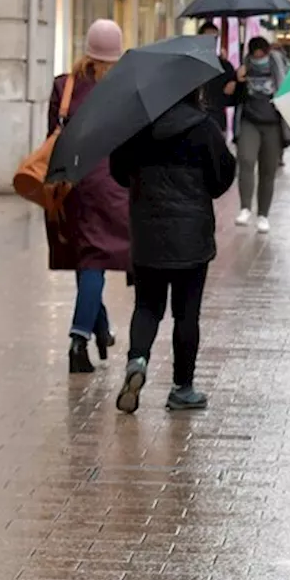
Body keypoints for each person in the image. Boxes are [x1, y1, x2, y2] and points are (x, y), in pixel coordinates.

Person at [110, 89, 237, 413]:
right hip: (191, 235)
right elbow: (222, 177)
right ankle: (182, 388)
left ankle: (137, 361)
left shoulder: (136, 127)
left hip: (147, 231)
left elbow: (118, 172)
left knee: (147, 306)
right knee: (186, 312)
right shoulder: (203, 127)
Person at [46, 19, 132, 374]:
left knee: (86, 258)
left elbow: (52, 134)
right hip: (110, 184)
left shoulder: (64, 86)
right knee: (95, 260)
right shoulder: (126, 88)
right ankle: (78, 340)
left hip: (69, 185)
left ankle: (100, 328)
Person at [234, 36, 286, 233]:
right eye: (254, 56)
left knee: (268, 170)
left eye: (261, 56)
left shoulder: (278, 64)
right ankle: (245, 207)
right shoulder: (243, 66)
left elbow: (286, 86)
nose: (258, 59)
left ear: (267, 52)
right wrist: (238, 80)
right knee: (246, 160)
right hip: (249, 121)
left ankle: (263, 214)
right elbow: (234, 97)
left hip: (273, 123)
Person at [196, 22, 238, 135]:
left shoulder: (224, 66)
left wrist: (236, 81)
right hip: (194, 122)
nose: (211, 41)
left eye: (215, 38)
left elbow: (233, 95)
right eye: (207, 37)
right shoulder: (192, 64)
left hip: (216, 121)